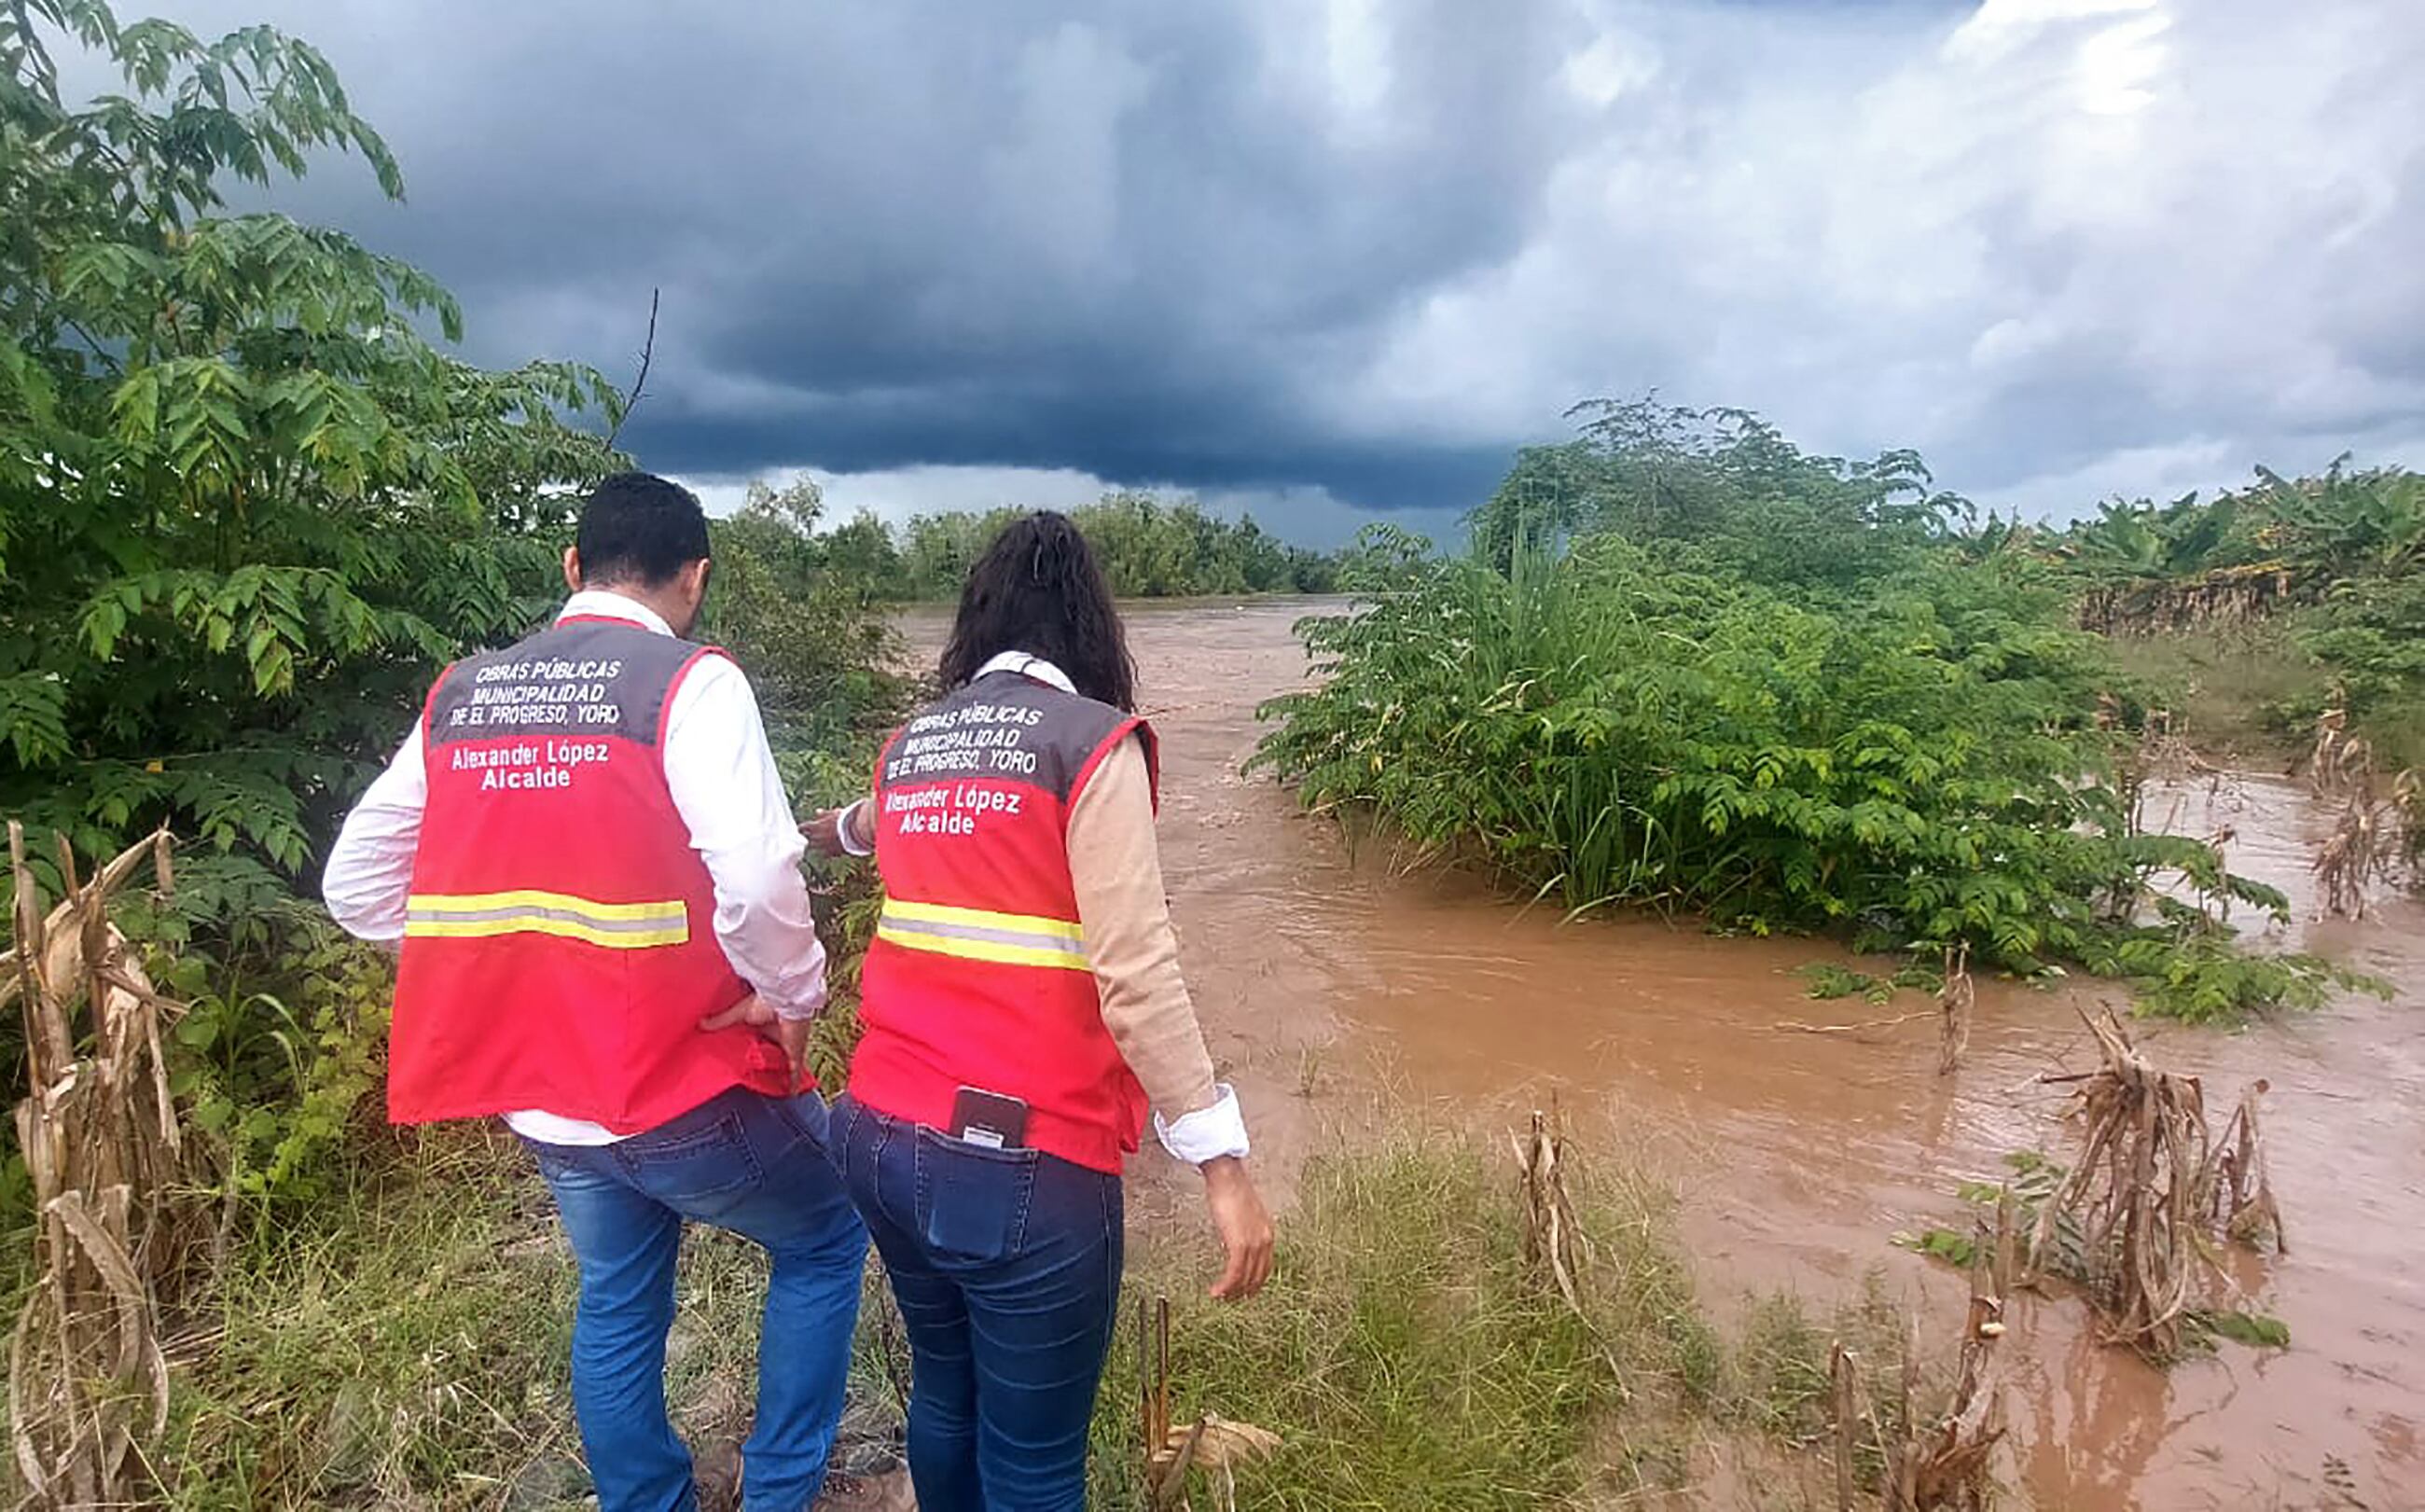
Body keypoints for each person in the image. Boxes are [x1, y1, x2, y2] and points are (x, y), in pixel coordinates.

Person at [325, 472, 870, 1512]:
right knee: (828, 1231)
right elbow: (756, 871)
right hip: (677, 1082)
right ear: (694, 579)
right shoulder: (689, 682)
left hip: (546, 1098)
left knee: (617, 1300)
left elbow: (354, 885)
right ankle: (781, 1492)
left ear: (570, 568)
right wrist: (790, 991)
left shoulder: (463, 692)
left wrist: (503, 956)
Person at [804, 510, 1275, 1511]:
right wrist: (1222, 1165)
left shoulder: (916, 743)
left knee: (945, 1392)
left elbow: (862, 822)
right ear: (1090, 632)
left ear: (978, 624)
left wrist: (816, 834)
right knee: (1033, 1462)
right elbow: (1136, 972)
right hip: (1016, 1164)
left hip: (877, 1136)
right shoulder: (1089, 744)